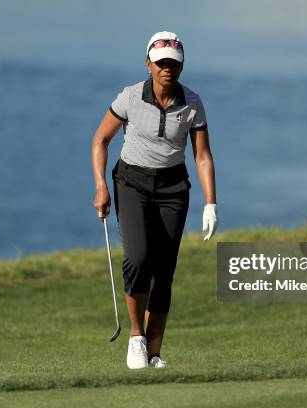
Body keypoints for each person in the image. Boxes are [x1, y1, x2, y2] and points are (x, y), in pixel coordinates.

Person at [91, 31, 218, 369]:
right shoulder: (131, 97)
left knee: (164, 272)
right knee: (137, 259)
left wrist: (211, 203)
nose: (167, 69)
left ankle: (154, 352)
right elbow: (100, 140)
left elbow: (202, 156)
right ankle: (136, 338)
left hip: (173, 190)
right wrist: (101, 186)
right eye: (160, 63)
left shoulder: (192, 103)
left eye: (173, 64)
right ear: (148, 64)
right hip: (131, 183)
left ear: (181, 67)